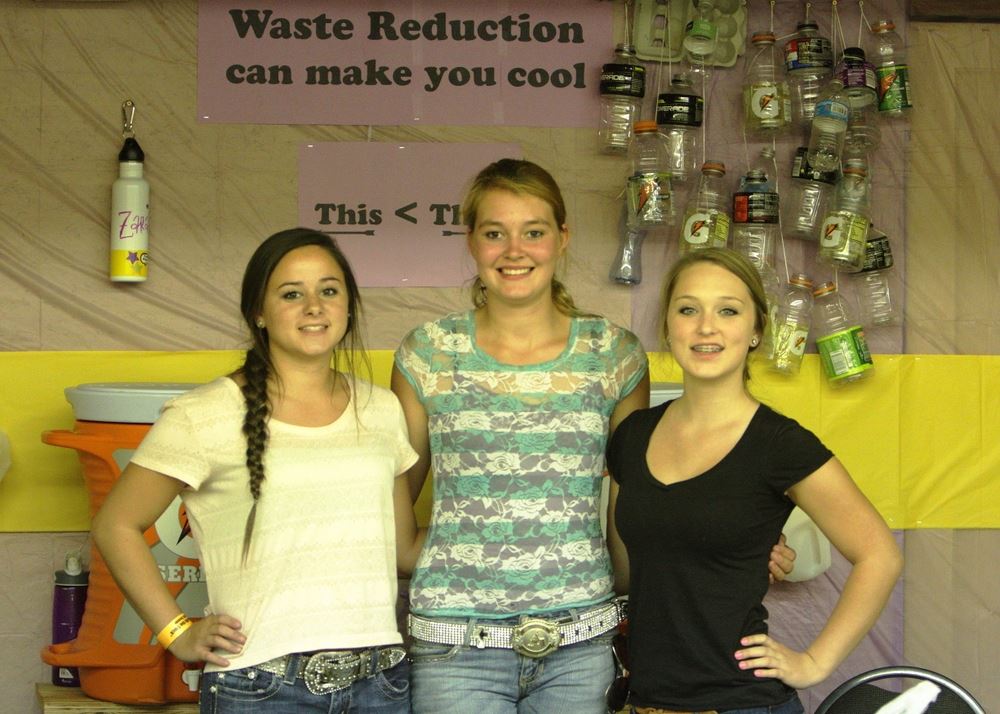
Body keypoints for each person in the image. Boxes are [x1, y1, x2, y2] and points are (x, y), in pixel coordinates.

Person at [391, 160, 794, 714]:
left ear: (562, 238)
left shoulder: (614, 354)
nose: (515, 249)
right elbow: (397, 488)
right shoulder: (427, 351)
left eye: (533, 231)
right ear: (471, 242)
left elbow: (644, 497)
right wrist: (422, 556)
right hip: (457, 645)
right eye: (494, 233)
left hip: (579, 643)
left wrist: (732, 546)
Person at [92, 228, 422, 713]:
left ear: (348, 307)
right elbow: (114, 524)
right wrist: (176, 631)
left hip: (380, 683)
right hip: (261, 687)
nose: (314, 306)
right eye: (292, 294)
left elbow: (404, 551)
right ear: (259, 313)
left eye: (329, 290)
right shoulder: (202, 415)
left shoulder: (381, 409)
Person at [606, 247, 903, 714]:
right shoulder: (632, 436)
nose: (707, 326)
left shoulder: (779, 443)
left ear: (756, 331)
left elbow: (879, 556)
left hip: (742, 703)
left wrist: (814, 662)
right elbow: (625, 572)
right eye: (688, 309)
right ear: (668, 326)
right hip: (645, 701)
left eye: (728, 310)